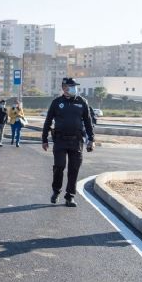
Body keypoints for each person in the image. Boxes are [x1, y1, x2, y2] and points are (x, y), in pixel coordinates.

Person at [42, 77, 95, 207]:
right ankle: (56, 191)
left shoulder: (82, 102)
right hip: (60, 140)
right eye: (71, 86)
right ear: (64, 87)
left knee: (74, 169)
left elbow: (88, 122)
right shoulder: (56, 102)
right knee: (59, 167)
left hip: (76, 141)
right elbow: (48, 121)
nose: (74, 88)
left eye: (75, 86)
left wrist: (92, 139)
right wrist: (44, 139)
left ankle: (70, 196)